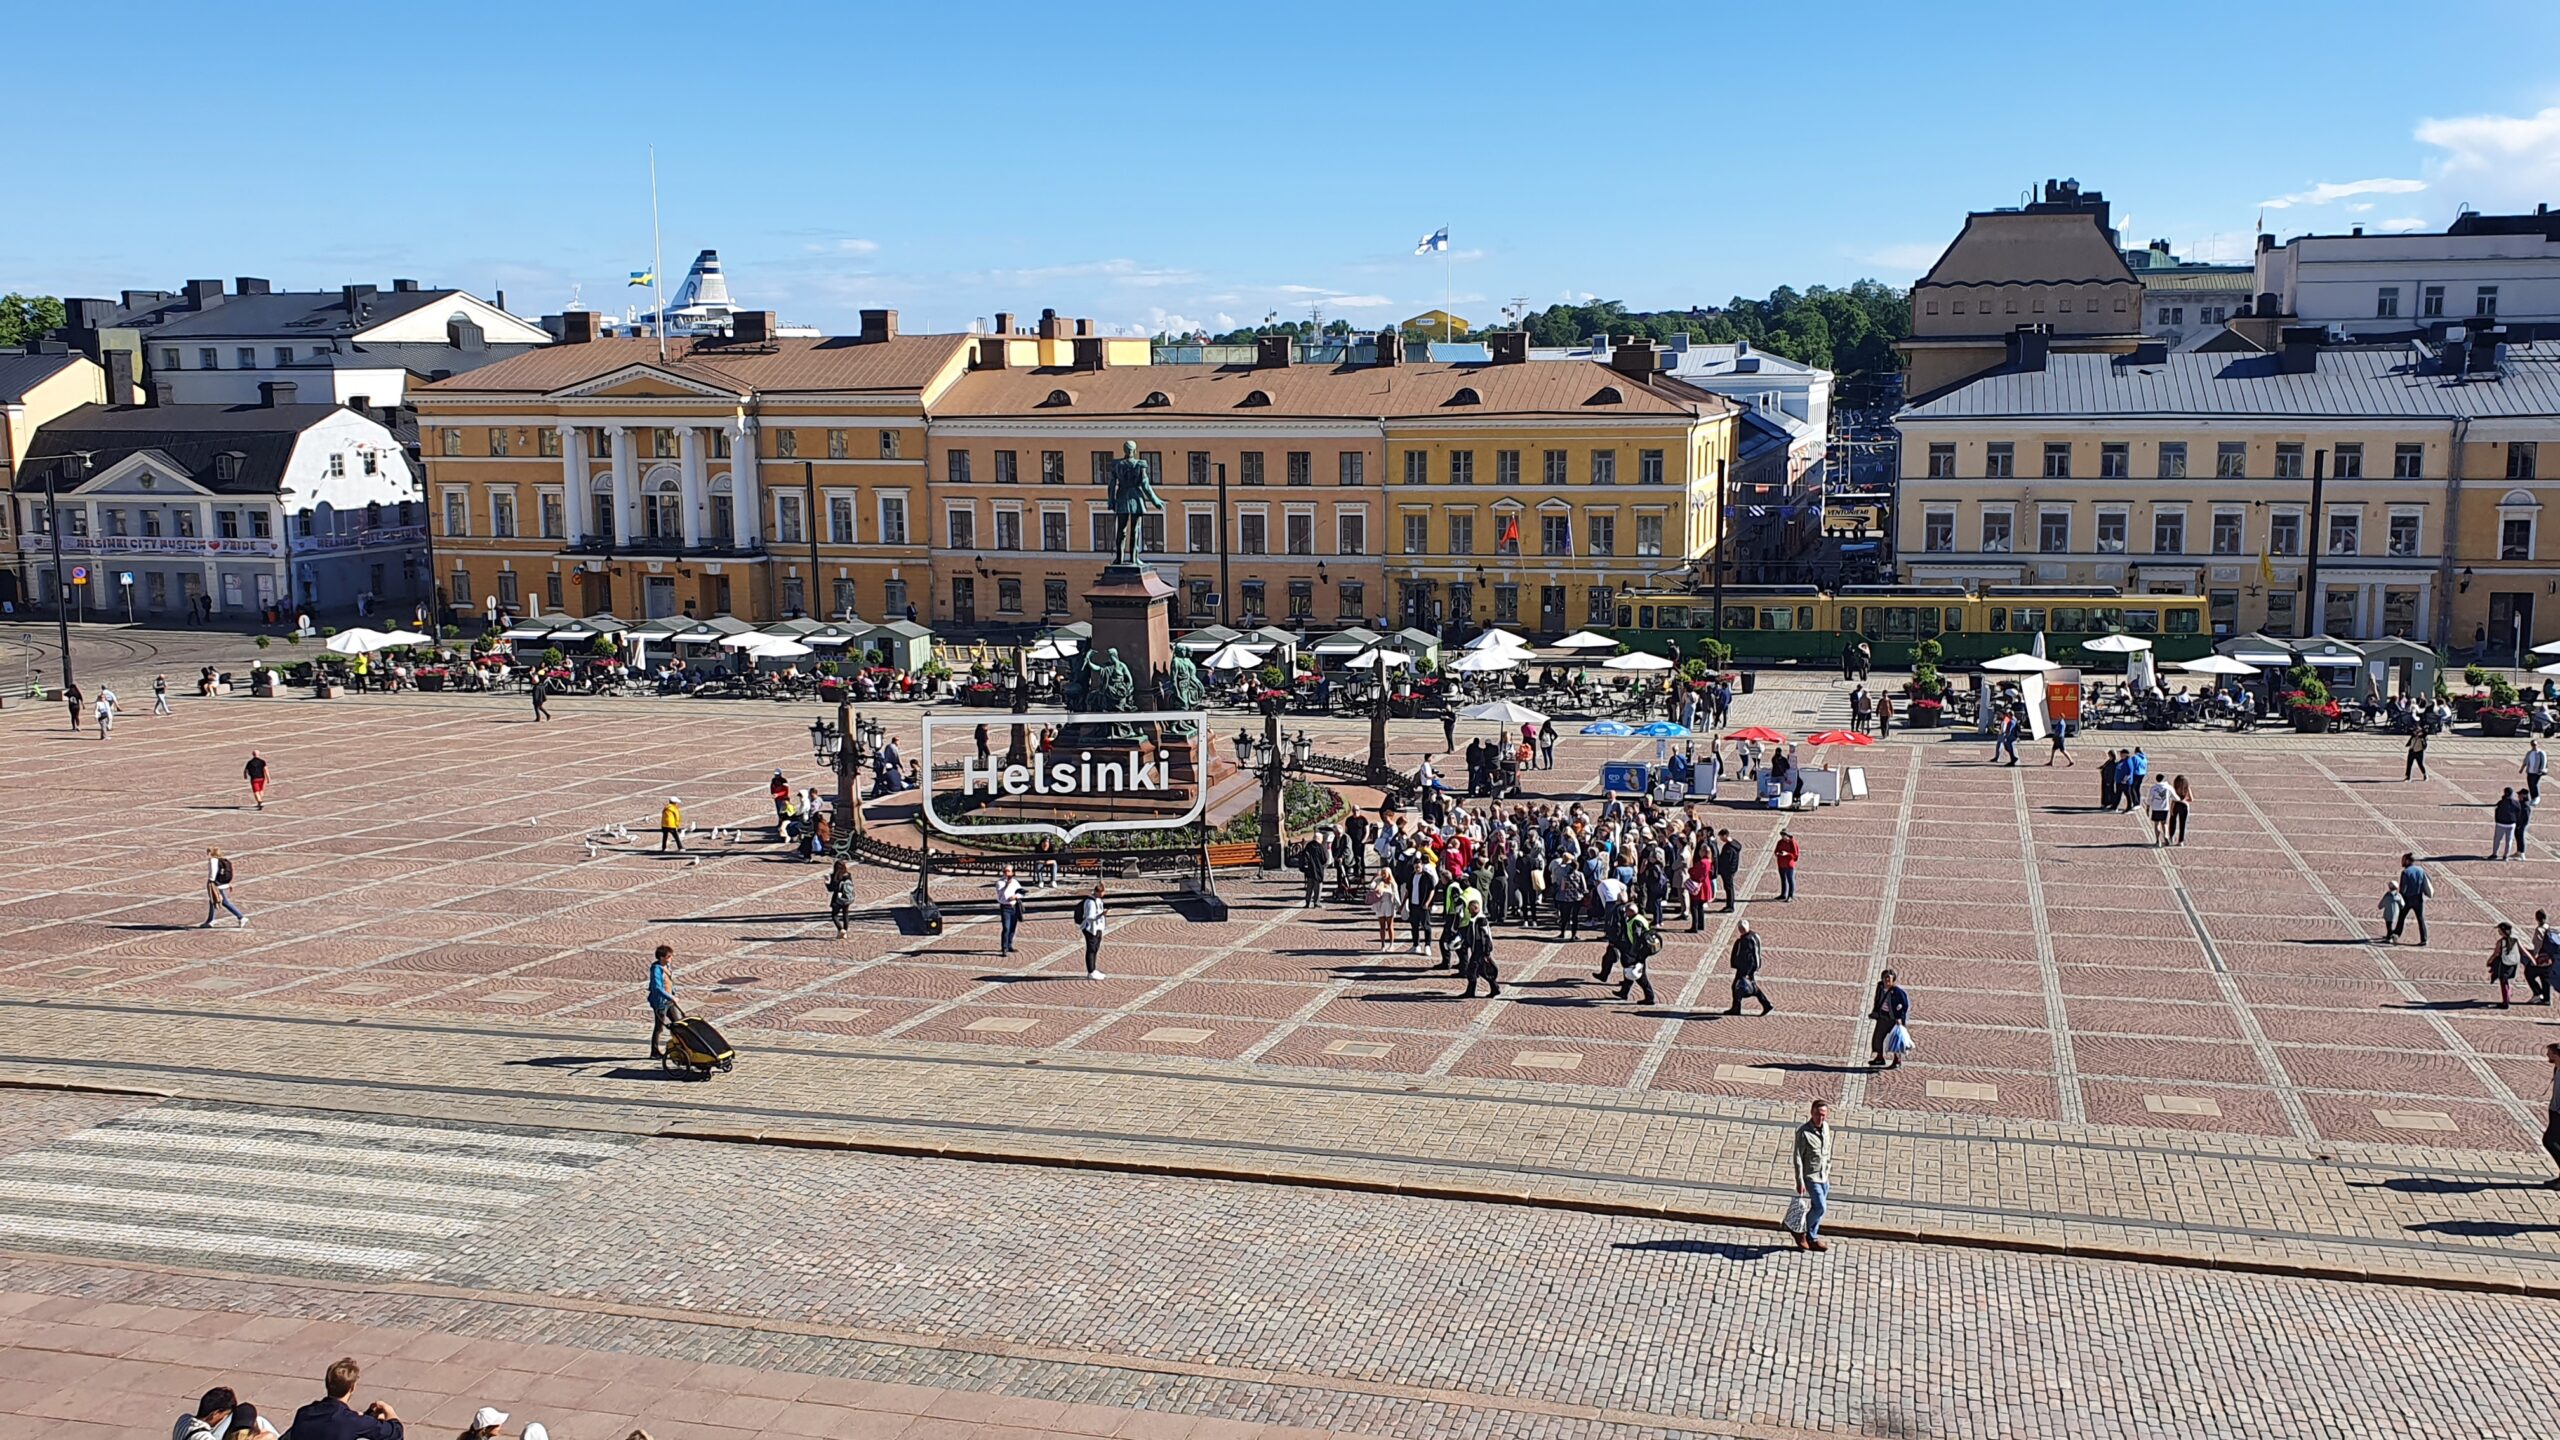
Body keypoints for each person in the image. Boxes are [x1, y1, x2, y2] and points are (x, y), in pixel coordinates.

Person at [280, 1356, 401, 1440]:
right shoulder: (352, 1421)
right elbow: (396, 1433)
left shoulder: (304, 1413)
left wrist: (368, 1416)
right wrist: (389, 1411)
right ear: (352, 1388)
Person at [1791, 1098, 1833, 1253]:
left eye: (1823, 1115)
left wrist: (1828, 1166)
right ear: (1811, 1113)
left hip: (1823, 1175)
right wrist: (1799, 1180)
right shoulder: (1803, 1132)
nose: (1820, 1118)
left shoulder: (1826, 1128)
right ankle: (1799, 1230)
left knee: (1818, 1208)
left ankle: (1812, 1237)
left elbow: (1827, 1149)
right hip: (1811, 1176)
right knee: (1821, 1207)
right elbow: (1797, 1158)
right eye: (1817, 1114)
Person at [1867, 968, 1910, 1067]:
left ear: (1893, 980)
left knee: (1896, 1039)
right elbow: (1877, 999)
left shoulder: (1898, 992)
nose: (1887, 981)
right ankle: (1879, 1057)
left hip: (1894, 1019)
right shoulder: (1880, 987)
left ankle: (1897, 1060)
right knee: (1878, 1038)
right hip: (1883, 1017)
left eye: (1889, 979)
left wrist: (1900, 1018)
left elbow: (1904, 1005)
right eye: (1885, 978)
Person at [1728, 920, 1772, 1015]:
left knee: (1737, 986)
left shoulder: (1745, 940)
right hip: (1753, 966)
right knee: (1752, 986)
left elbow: (1747, 957)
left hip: (1745, 968)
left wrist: (1746, 971)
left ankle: (1736, 1008)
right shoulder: (1755, 935)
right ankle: (1766, 1004)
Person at [202, 847, 246, 928]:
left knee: (222, 901)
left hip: (217, 884)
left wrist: (211, 882)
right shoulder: (222, 860)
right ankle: (211, 920)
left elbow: (213, 873)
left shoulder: (213, 861)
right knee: (214, 900)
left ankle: (240, 917)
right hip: (223, 883)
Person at [2393, 853, 2431, 945]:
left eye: (2403, 860)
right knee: (2420, 918)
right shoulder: (2421, 870)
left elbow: (2403, 888)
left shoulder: (2405, 872)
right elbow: (2427, 882)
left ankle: (2396, 934)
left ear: (2408, 861)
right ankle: (2424, 938)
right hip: (2418, 898)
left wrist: (2400, 897)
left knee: (2402, 917)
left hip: (2407, 898)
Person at [646, 945, 676, 1057]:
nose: (671, 958)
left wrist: (673, 992)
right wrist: (671, 997)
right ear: (662, 957)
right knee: (659, 1027)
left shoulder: (667, 966)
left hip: (669, 1000)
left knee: (678, 1023)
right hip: (660, 1003)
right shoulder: (656, 970)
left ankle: (680, 1045)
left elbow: (669, 981)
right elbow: (658, 988)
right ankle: (654, 1051)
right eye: (669, 956)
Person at [1075, 883, 1108, 979]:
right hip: (1090, 928)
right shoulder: (1090, 902)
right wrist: (1101, 914)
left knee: (1095, 948)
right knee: (1091, 949)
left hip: (1097, 927)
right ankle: (1091, 971)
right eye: (1103, 892)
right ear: (1098, 892)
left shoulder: (1098, 900)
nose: (1104, 894)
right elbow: (1090, 917)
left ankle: (1093, 969)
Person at [2490, 921, 2526, 1008]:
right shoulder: (2515, 939)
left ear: (2502, 931)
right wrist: (2533, 960)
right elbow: (2524, 951)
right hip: (2514, 964)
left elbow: (2496, 953)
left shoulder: (2500, 942)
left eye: (2499, 930)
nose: (2498, 932)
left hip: (2504, 964)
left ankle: (2506, 1002)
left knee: (2503, 981)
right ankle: (2508, 995)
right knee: (2506, 980)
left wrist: (2490, 961)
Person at [2541, 1043, 2560, 1187]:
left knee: (2549, 1140)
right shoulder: (2557, 1068)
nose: (2548, 1055)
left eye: (2550, 1053)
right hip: (2555, 1110)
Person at [2529, 909, 2557, 1006]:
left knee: (2529, 973)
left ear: (2537, 918)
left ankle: (2538, 993)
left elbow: (2538, 945)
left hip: (2541, 957)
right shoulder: (2548, 928)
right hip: (2549, 957)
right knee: (2545, 977)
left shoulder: (2539, 930)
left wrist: (2534, 957)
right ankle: (2546, 998)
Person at [1367, 872, 1401, 949]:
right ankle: (1383, 944)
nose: (1383, 875)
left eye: (1385, 874)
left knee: (1390, 926)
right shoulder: (1379, 881)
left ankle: (1391, 944)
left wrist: (1399, 906)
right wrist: (1375, 877)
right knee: (1382, 926)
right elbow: (1371, 886)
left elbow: (1395, 895)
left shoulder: (1392, 883)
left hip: (1389, 905)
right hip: (1380, 905)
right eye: (1382, 874)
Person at [995, 865, 1023, 956]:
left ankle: (1009, 944)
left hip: (1014, 907)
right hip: (1005, 907)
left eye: (1008, 871)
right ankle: (1004, 948)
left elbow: (1021, 892)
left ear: (1012, 872)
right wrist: (1006, 885)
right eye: (1005, 871)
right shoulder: (1000, 883)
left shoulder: (1015, 882)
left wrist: (1015, 896)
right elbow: (1000, 895)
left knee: (1012, 927)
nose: (1006, 873)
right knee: (1006, 927)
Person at [825, 859, 853, 938]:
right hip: (847, 897)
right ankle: (845, 931)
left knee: (834, 915)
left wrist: (827, 882)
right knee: (845, 914)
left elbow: (831, 889)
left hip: (837, 898)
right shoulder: (848, 875)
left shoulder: (834, 876)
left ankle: (841, 929)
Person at [1716, 830, 1742, 913]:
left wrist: (1720, 869)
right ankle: (1729, 904)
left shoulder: (1729, 848)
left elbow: (1725, 861)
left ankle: (1730, 906)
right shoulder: (1735, 844)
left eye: (1721, 837)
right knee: (1728, 887)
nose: (1720, 839)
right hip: (1731, 870)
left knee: (1729, 888)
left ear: (1725, 836)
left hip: (1728, 871)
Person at [2493, 788, 2522, 861]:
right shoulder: (2516, 803)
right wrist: (2517, 822)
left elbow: (2497, 811)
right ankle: (2506, 856)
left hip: (2500, 823)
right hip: (2511, 824)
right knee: (2509, 840)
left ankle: (2495, 854)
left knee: (2497, 839)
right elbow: (2518, 813)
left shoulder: (2501, 802)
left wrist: (2497, 820)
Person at [2145, 775, 2174, 846]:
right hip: (2165, 808)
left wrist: (2148, 807)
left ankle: (2158, 841)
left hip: (2156, 808)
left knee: (2157, 824)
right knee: (2164, 823)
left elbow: (2150, 798)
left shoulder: (2153, 788)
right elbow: (2175, 796)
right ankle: (2166, 837)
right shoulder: (2168, 787)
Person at [1773, 828, 1799, 901]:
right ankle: (1783, 894)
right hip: (1781, 864)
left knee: (1790, 880)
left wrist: (1787, 854)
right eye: (1782, 836)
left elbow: (1795, 855)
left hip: (1789, 865)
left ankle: (1790, 895)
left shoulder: (1792, 843)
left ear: (1788, 835)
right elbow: (1776, 851)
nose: (1783, 837)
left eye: (1784, 836)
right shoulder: (1780, 842)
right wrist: (1777, 853)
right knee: (1783, 879)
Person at [2169, 775, 2193, 846]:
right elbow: (2191, 799)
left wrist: (2171, 809)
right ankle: (2181, 841)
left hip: (2176, 804)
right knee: (2182, 824)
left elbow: (2173, 799)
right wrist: (2184, 800)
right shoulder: (2187, 787)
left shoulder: (2175, 787)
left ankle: (2171, 837)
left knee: (2173, 821)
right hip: (2184, 806)